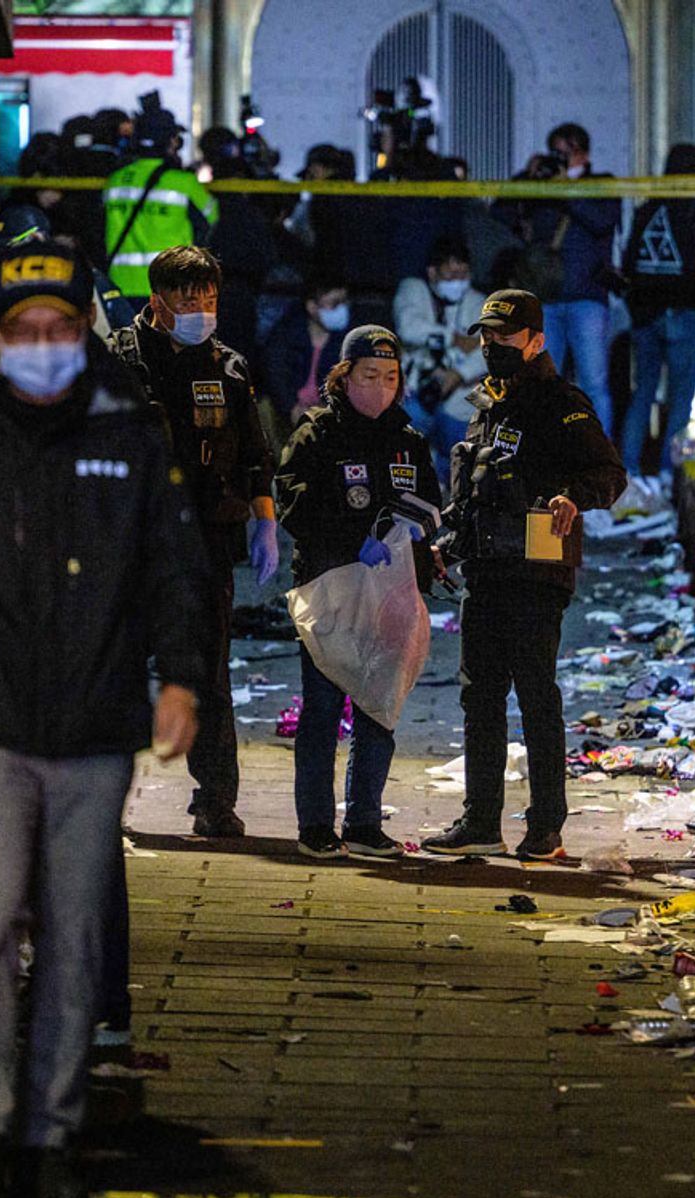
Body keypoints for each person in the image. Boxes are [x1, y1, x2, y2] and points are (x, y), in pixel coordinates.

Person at [0, 238, 206, 1198]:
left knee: (74, 935)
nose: (45, 345)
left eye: (61, 328)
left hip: (98, 725)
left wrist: (182, 679)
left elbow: (175, 572)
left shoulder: (130, 441)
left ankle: (52, 1130)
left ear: (82, 332)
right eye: (26, 332)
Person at [424, 290, 626, 859]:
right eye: (486, 336)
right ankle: (481, 822)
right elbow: (475, 491)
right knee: (479, 697)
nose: (491, 346)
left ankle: (545, 825)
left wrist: (573, 497)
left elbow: (611, 473)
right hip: (486, 570)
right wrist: (447, 541)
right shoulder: (488, 404)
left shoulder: (561, 404)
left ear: (536, 340)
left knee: (537, 697)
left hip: (538, 571)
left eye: (503, 337)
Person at [108, 245, 276, 837]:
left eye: (208, 299)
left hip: (207, 538)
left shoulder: (227, 367)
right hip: (131, 542)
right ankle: (105, 800)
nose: (200, 309)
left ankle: (216, 800)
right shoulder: (119, 362)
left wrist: (266, 521)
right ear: (157, 299)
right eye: (187, 299)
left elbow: (256, 455)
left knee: (210, 673)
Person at [274, 325, 442, 860]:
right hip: (331, 590)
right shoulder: (316, 436)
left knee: (379, 710)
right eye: (370, 376)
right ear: (344, 378)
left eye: (391, 377)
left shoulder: (408, 441)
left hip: (390, 597)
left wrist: (427, 541)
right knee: (323, 711)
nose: (381, 387)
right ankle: (315, 824)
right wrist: (354, 539)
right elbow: (296, 508)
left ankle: (365, 820)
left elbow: (432, 509)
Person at [502, 123, 621, 437]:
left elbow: (602, 221)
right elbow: (504, 217)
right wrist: (526, 180)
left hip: (587, 299)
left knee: (594, 383)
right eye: (552, 152)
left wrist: (565, 189)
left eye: (562, 152)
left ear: (581, 152)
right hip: (546, 299)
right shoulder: (540, 187)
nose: (556, 159)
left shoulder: (601, 183)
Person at [621, 143, 695, 475]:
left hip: (646, 313)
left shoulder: (647, 210)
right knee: (680, 397)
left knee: (643, 391)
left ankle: (630, 472)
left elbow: (629, 262)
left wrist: (636, 303)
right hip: (683, 310)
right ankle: (668, 474)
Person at [103, 97, 219, 318]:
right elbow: (212, 223)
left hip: (120, 286)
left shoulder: (115, 181)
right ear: (170, 141)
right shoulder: (184, 183)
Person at [392, 235, 486, 481]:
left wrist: (458, 375)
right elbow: (409, 328)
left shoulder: (478, 302)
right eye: (450, 276)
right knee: (403, 448)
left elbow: (490, 349)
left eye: (463, 276)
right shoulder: (413, 289)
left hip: (458, 397)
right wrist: (453, 338)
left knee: (459, 456)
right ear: (433, 273)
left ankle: (450, 495)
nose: (458, 282)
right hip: (417, 392)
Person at [261, 278, 351, 425]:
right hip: (285, 411)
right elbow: (275, 374)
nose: (342, 310)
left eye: (344, 302)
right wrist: (290, 407)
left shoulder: (348, 341)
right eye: (334, 304)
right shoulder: (286, 334)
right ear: (312, 307)